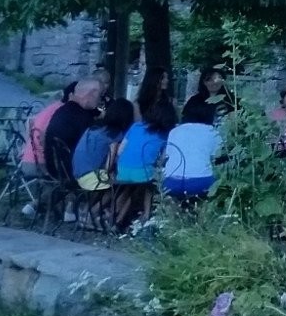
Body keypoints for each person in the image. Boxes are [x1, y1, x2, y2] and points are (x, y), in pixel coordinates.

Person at [114, 99, 175, 230]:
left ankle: (114, 213)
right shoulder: (164, 135)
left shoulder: (136, 126)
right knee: (149, 184)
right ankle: (143, 214)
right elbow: (163, 158)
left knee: (128, 188)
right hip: (141, 173)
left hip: (122, 168)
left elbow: (120, 151)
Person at [43, 78, 104, 182]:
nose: (100, 101)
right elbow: (94, 147)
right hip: (73, 172)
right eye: (100, 96)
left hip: (54, 168)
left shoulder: (63, 111)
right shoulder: (82, 117)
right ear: (92, 94)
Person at [162, 99, 222, 201]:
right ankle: (203, 214)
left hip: (171, 181)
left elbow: (166, 156)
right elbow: (216, 157)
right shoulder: (213, 132)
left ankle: (172, 215)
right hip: (201, 182)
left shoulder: (175, 131)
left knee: (174, 200)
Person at [72, 98, 133, 182]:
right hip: (92, 179)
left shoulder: (94, 127)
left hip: (77, 173)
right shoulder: (115, 135)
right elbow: (108, 168)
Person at [21, 83, 74, 180]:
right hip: (39, 163)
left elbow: (31, 126)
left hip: (28, 159)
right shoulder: (62, 110)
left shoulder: (52, 107)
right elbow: (44, 136)